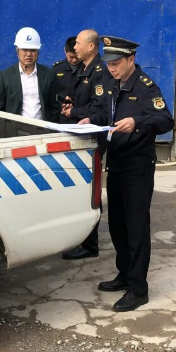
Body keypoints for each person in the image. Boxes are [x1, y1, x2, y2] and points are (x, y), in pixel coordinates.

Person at [79, 36, 174, 312]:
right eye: (109, 64)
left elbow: (165, 120)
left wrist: (137, 122)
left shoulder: (145, 88)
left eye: (117, 63)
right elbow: (105, 114)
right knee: (118, 225)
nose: (112, 68)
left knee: (136, 228)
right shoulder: (113, 83)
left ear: (131, 60)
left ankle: (138, 288)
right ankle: (124, 274)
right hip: (116, 163)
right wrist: (90, 120)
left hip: (137, 168)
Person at [61, 29, 111, 260]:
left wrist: (75, 112)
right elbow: (82, 100)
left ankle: (90, 244)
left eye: (79, 43)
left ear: (91, 46)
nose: (75, 47)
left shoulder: (100, 72)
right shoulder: (83, 69)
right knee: (80, 191)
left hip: (92, 141)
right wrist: (70, 105)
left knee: (90, 193)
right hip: (81, 138)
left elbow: (99, 109)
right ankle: (82, 239)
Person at [0, 27, 59, 121]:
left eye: (33, 50)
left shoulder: (49, 74)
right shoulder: (5, 76)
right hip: (15, 128)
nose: (28, 54)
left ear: (38, 52)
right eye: (25, 50)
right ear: (17, 50)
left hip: (42, 127)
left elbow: (54, 107)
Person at [52, 36, 80, 114]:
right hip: (61, 114)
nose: (74, 60)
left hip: (81, 114)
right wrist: (62, 105)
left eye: (77, 56)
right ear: (65, 51)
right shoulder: (57, 69)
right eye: (71, 57)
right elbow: (52, 94)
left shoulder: (87, 68)